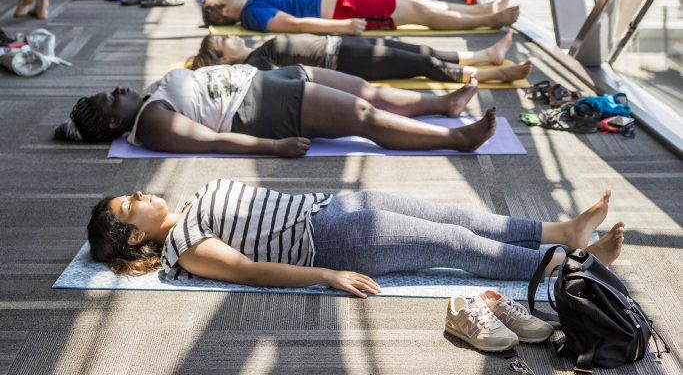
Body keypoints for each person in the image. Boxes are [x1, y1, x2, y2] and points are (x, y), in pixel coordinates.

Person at [86, 181, 623, 300]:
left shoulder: (186, 208)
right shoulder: (187, 247)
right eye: (129, 205)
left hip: (336, 205)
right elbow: (249, 270)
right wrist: (326, 274)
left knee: (457, 216)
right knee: (454, 246)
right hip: (337, 238)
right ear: (134, 234)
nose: (138, 193)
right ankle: (570, 260)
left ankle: (562, 232)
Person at [54, 64, 497, 155]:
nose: (116, 88)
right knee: (365, 118)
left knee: (365, 90)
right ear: (114, 122)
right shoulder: (150, 124)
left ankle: (443, 103)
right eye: (109, 98)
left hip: (269, 79)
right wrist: (274, 147)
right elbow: (211, 141)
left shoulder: (149, 97)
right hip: (265, 107)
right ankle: (458, 138)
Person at [186, 29, 532, 86]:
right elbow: (290, 77)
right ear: (222, 59)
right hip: (345, 61)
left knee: (417, 50)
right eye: (223, 41)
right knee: (419, 64)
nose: (229, 36)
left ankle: (486, 54)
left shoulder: (258, 50)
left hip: (342, 45)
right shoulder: (255, 63)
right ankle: (492, 76)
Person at [202, 0, 519, 33]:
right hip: (345, 8)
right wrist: (342, 26)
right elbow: (294, 24)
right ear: (226, 13)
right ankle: (487, 21)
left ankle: (482, 10)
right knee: (421, 14)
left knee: (417, 1)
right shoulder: (253, 13)